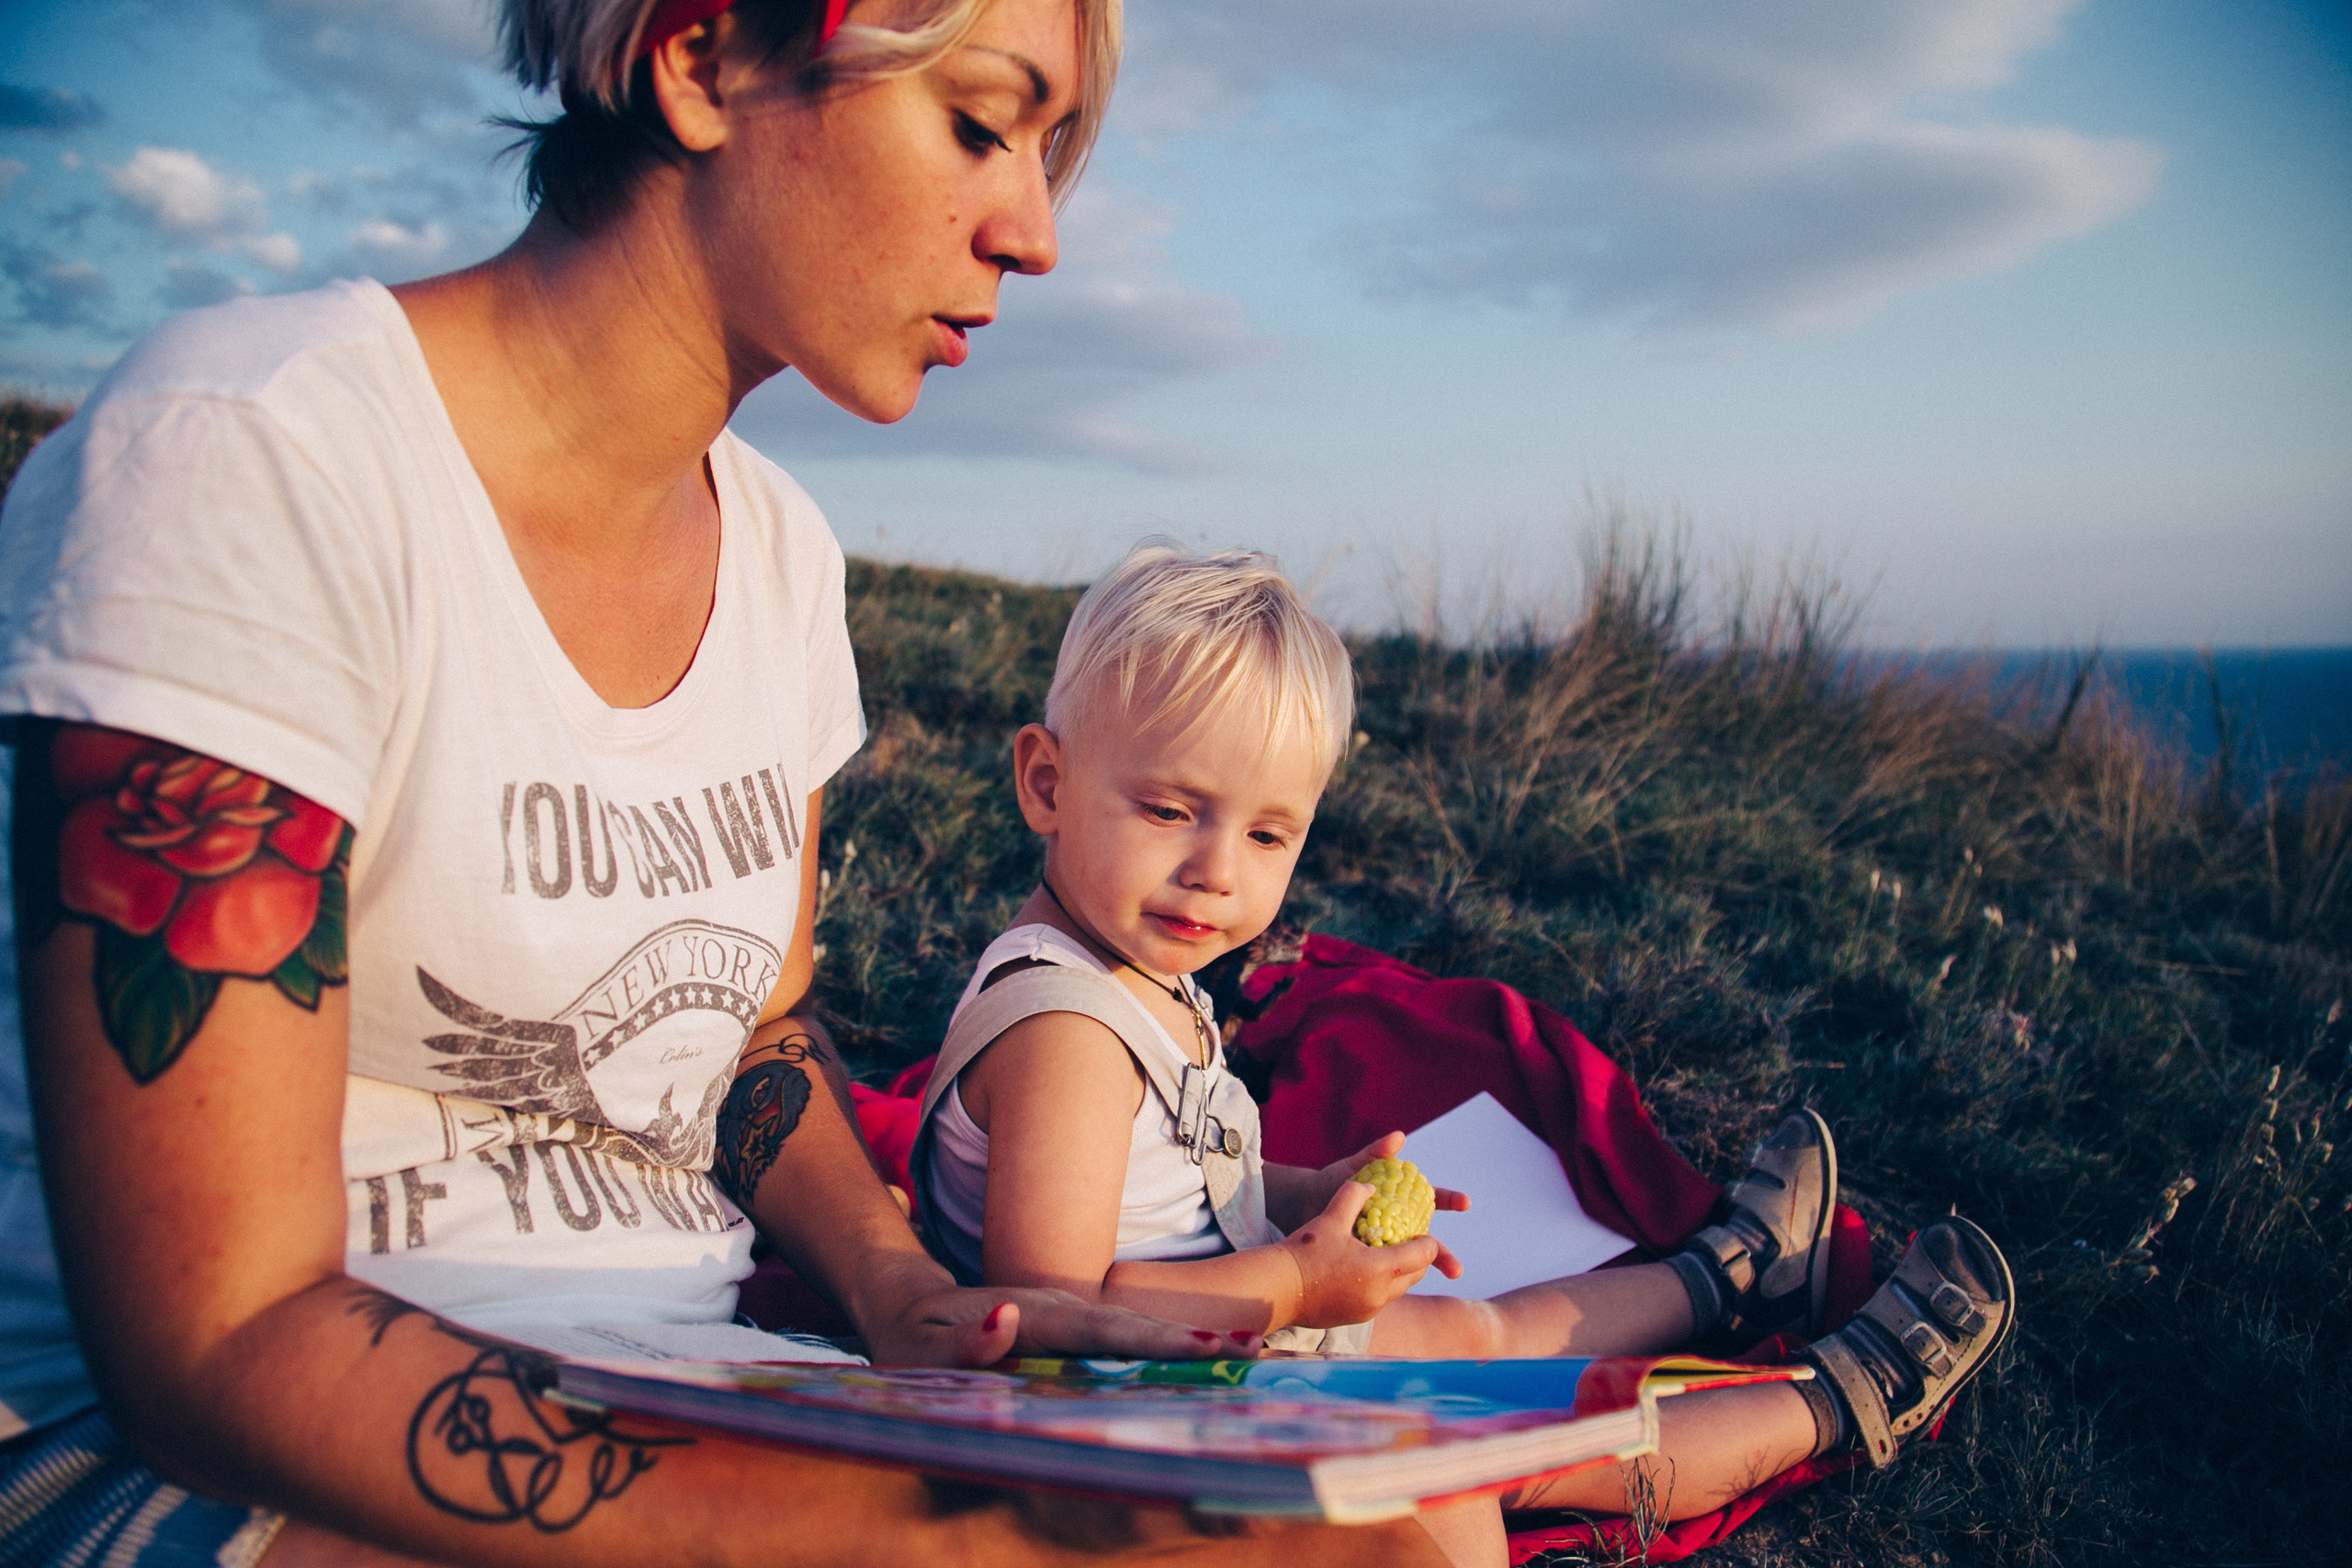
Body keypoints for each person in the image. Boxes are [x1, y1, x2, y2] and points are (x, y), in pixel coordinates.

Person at [0, 2, 1455, 1564]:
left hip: (692, 1374)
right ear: (700, 59)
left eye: (1052, 154)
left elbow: (756, 1033)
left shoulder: (777, 558)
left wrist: (898, 1292)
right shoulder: (252, 458)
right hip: (218, 1458)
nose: (1034, 229)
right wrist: (928, 1539)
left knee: (1379, 1522)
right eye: (979, 122)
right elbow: (214, 1343)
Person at [910, 541, 2019, 1567]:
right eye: (1169, 809)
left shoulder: (1133, 966)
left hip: (1232, 1334)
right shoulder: (1068, 1040)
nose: (1218, 870)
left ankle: (1725, 1275)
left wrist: (1304, 1191)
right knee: (1553, 1443)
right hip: (1171, 1417)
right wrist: (1301, 1277)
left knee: (1486, 1326)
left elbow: (1166, 1181)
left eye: (1266, 834)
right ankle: (1844, 1397)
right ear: (1045, 783)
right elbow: (1052, 1331)